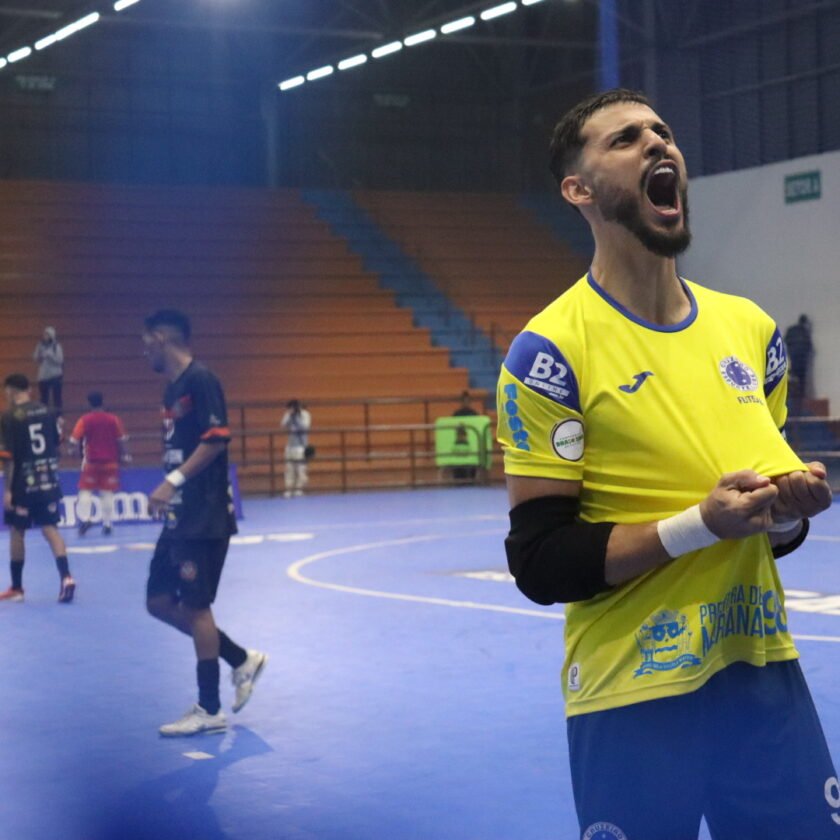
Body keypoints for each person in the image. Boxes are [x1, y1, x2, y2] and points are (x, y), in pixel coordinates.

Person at [496, 89, 836, 839]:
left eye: (663, 132)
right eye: (625, 139)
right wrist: (700, 525)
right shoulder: (550, 353)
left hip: (758, 667)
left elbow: (763, 526)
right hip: (631, 694)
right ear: (578, 190)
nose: (657, 144)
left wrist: (783, 514)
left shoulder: (750, 331)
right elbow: (541, 561)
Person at [142, 309, 267, 737]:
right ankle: (239, 658)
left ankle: (209, 709)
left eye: (146, 341)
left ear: (160, 337)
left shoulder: (201, 379)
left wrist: (170, 481)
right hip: (179, 514)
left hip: (204, 516)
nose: (144, 350)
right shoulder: (170, 390)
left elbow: (216, 440)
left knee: (197, 608)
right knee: (158, 601)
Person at [0, 373, 75, 603]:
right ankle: (66, 577)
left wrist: (9, 490)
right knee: (51, 529)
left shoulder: (9, 417)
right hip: (48, 479)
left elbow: (9, 458)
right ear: (29, 389)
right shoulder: (47, 411)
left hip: (23, 483)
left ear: (11, 391)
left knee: (17, 531)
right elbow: (55, 442)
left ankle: (17, 588)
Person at [68, 391, 131, 536]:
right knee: (107, 493)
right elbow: (122, 440)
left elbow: (74, 440)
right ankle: (108, 524)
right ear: (103, 402)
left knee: (85, 491)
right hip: (111, 463)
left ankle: (86, 519)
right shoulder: (113, 419)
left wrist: (74, 453)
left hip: (91, 463)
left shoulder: (84, 420)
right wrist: (126, 456)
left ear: (88, 403)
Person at [280, 399, 311, 498]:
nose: (291, 410)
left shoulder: (305, 415)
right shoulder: (288, 414)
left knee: (300, 469)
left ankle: (298, 489)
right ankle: (289, 489)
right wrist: (290, 416)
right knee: (289, 469)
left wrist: (296, 418)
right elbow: (283, 425)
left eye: (292, 408)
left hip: (301, 446)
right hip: (290, 446)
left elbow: (305, 427)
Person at [784, 313, 814, 414]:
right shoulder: (804, 332)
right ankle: (800, 400)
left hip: (793, 359)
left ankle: (795, 400)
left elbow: (786, 340)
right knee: (800, 382)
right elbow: (809, 347)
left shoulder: (792, 330)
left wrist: (791, 351)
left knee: (793, 379)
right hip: (801, 361)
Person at [33, 327, 64, 415]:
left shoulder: (56, 346)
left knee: (57, 397)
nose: (45, 336)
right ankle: (43, 415)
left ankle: (58, 416)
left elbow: (60, 360)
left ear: (51, 336)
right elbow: (35, 358)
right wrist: (39, 355)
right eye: (44, 334)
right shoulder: (40, 345)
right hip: (43, 376)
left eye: (47, 334)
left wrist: (51, 356)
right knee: (43, 398)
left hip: (55, 375)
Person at [452, 390, 479, 482]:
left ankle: (472, 479)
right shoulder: (456, 415)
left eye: (467, 401)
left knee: (473, 460)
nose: (465, 403)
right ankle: (458, 480)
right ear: (461, 402)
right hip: (459, 445)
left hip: (471, 445)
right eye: (464, 401)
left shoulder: (474, 414)